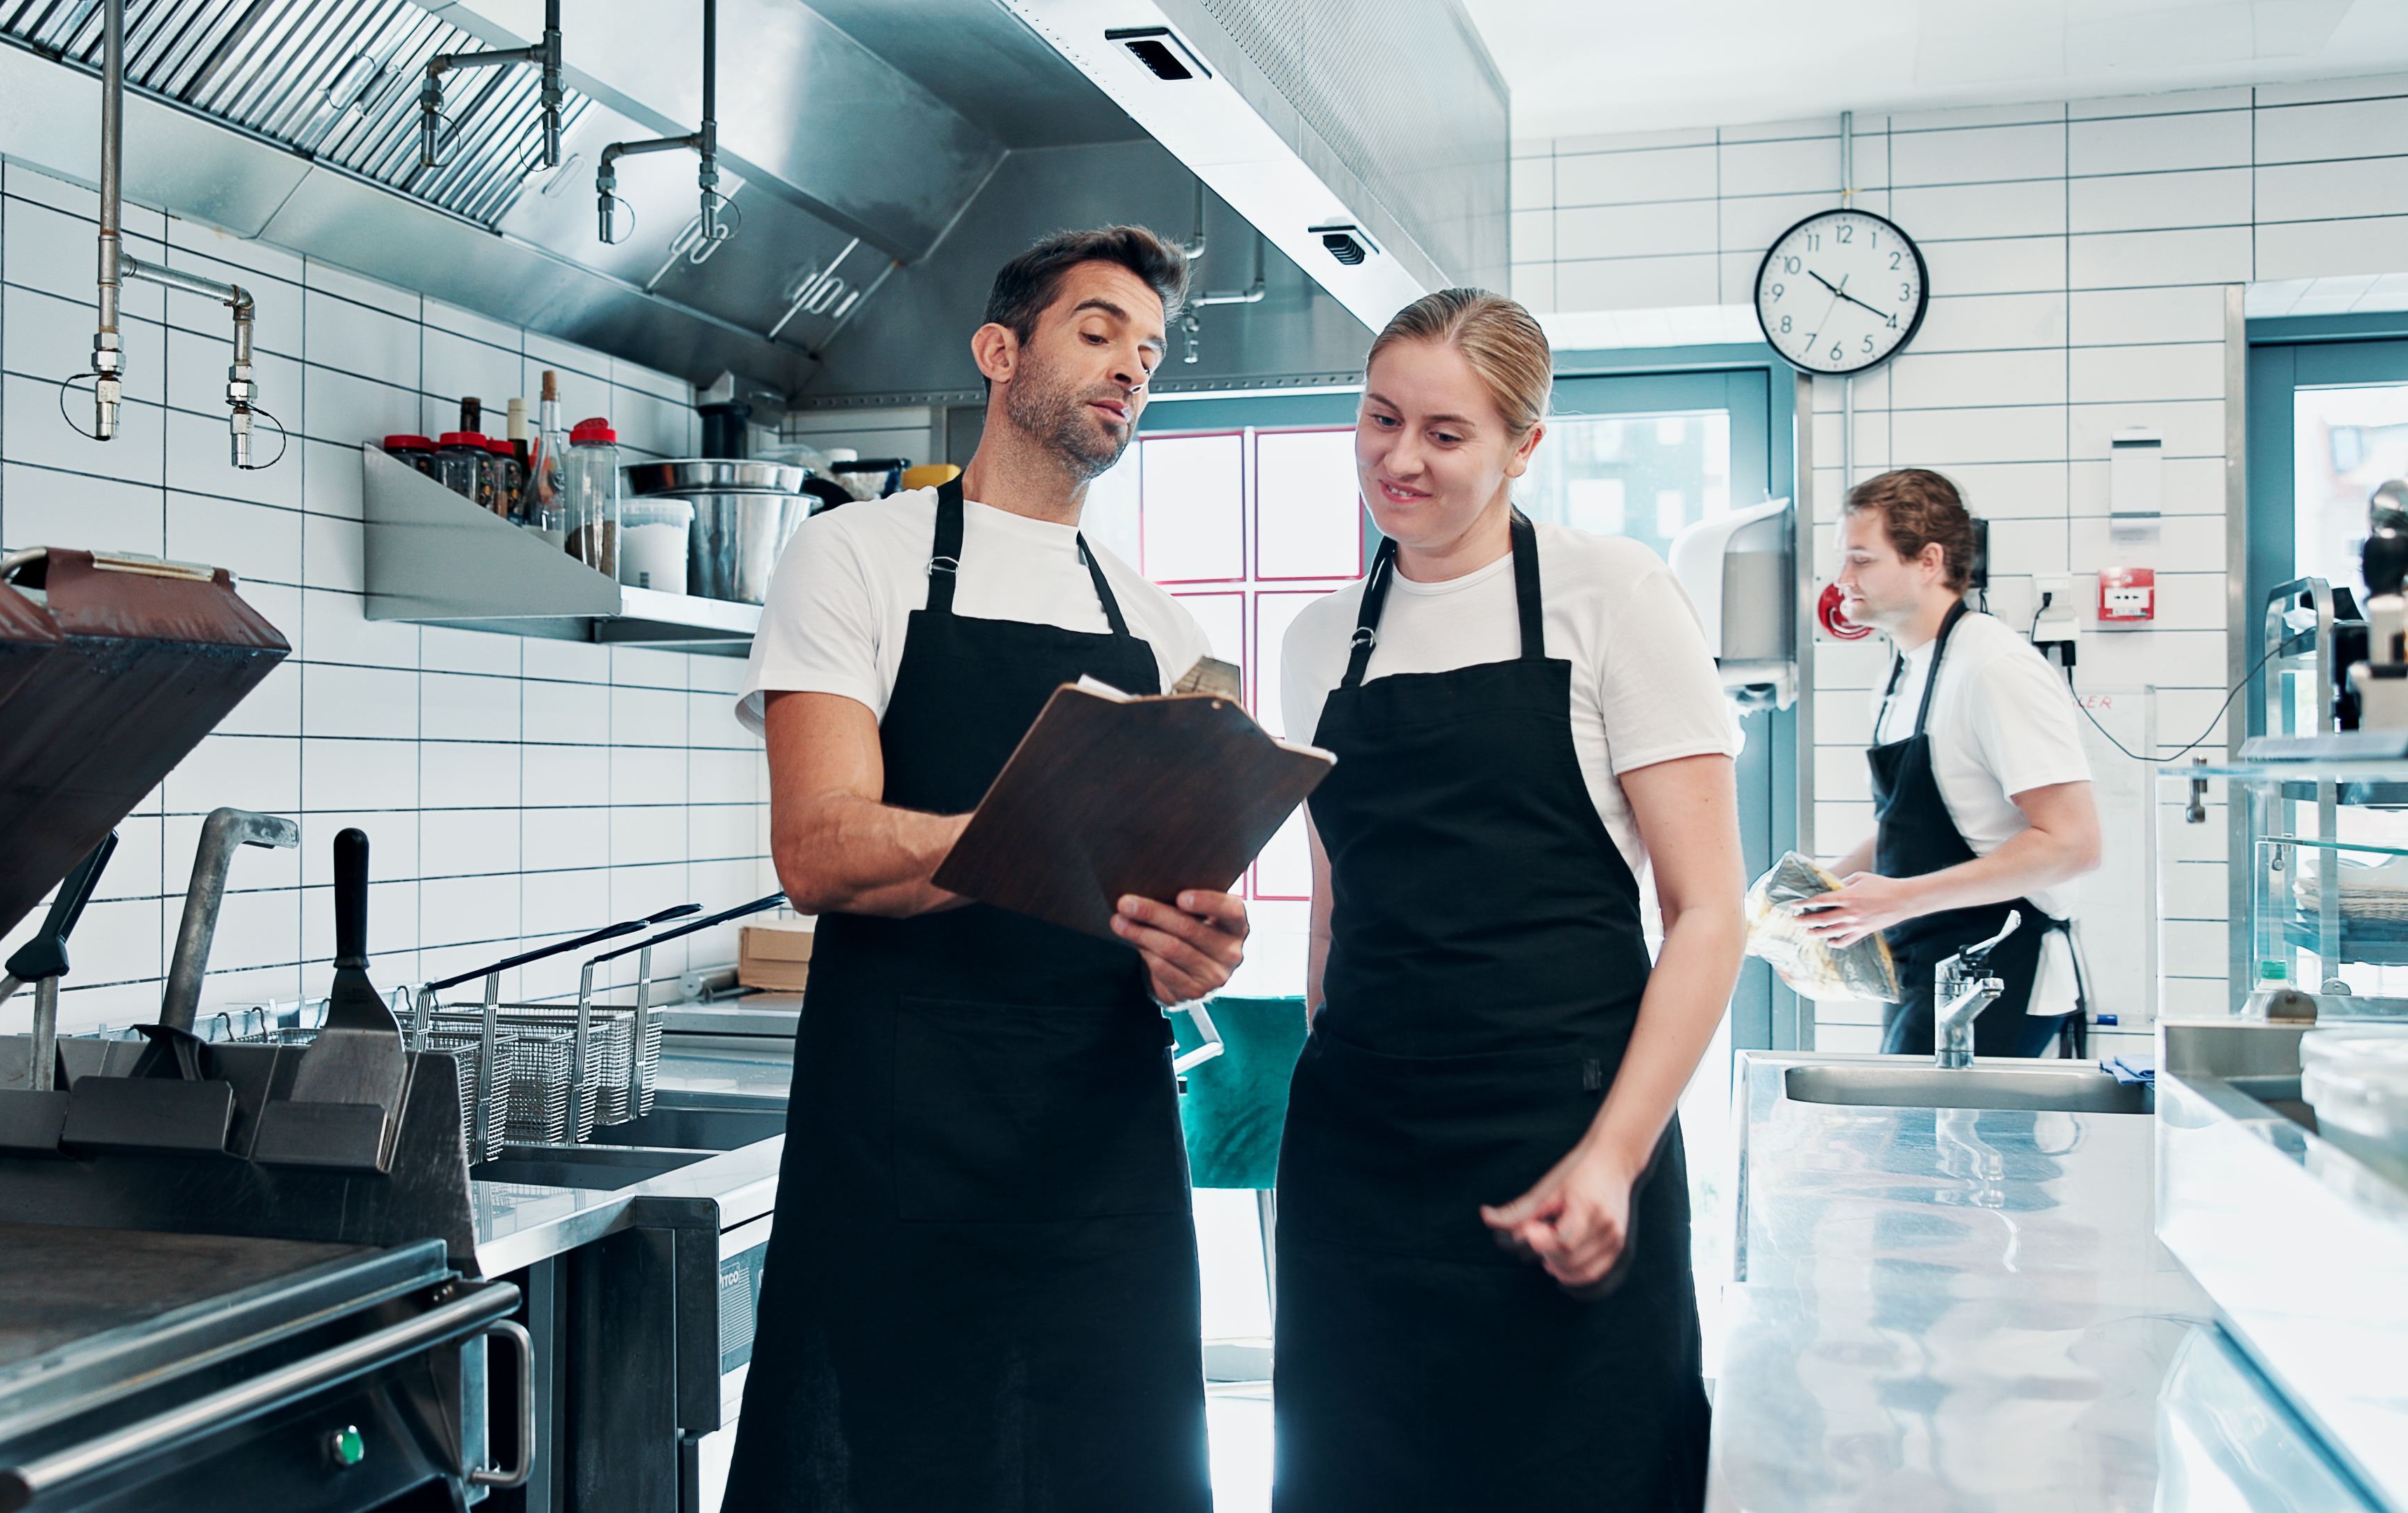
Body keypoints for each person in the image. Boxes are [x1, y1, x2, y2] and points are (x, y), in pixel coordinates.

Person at [722, 226, 1250, 1513]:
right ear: (999, 353)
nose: (1130, 366)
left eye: (1151, 350)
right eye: (1097, 330)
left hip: (1104, 1142)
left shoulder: (1161, 628)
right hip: (903, 1131)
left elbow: (1167, 905)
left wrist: (1199, 950)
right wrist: (1056, 816)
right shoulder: (855, 556)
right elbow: (819, 849)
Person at [1267, 289, 1743, 1512]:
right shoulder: (1320, 640)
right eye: (1380, 419)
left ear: (1524, 447)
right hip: (1360, 1157)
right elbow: (1334, 906)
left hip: (1565, 1135)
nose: (1398, 459)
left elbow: (1708, 914)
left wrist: (1615, 1159)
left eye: (1445, 434)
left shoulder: (1615, 595)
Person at [1799, 469, 2101, 1056]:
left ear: (1929, 561)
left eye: (1862, 560)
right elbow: (1911, 827)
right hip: (1923, 963)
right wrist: (1821, 895)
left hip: (1998, 970)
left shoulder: (1993, 668)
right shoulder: (1901, 675)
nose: (1841, 581)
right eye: (1843, 560)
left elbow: (2074, 845)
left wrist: (1899, 898)